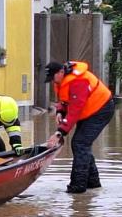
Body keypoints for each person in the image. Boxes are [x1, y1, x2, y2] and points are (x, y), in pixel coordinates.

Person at [44, 61, 115, 193]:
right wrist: (60, 111)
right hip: (88, 110)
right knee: (82, 144)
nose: (52, 82)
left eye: (53, 78)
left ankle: (78, 187)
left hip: (101, 109)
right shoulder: (61, 80)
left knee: (80, 143)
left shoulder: (78, 82)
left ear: (60, 72)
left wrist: (59, 132)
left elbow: (75, 110)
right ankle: (93, 184)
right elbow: (64, 100)